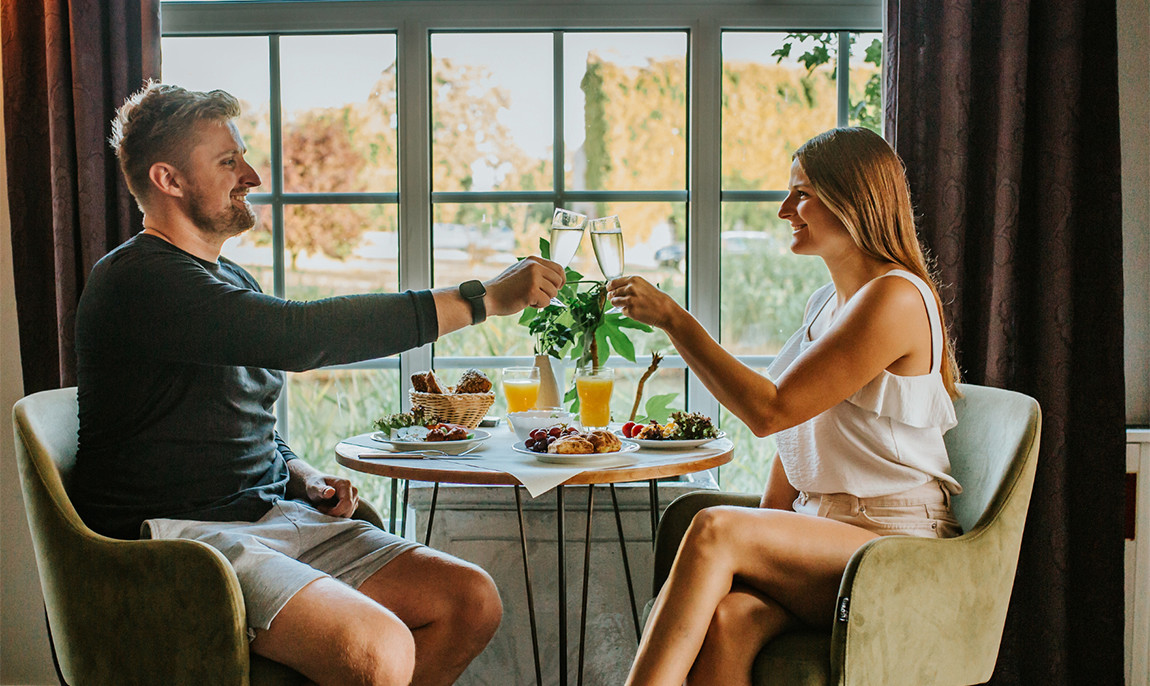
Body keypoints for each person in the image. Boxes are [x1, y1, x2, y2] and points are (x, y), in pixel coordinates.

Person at [72, 82, 565, 686]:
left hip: (271, 515)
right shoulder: (138, 282)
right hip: (183, 541)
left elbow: (246, 417)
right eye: (227, 161)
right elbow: (300, 337)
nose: (250, 174)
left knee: (470, 601)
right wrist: (480, 299)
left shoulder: (227, 279)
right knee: (378, 649)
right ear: (169, 180)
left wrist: (302, 473)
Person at [607, 127, 964, 686]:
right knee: (728, 620)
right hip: (824, 534)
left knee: (713, 528)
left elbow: (771, 411)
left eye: (802, 193)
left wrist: (675, 319)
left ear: (855, 200)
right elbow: (800, 433)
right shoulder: (826, 302)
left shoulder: (895, 297)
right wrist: (770, 523)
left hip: (893, 546)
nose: (783, 210)